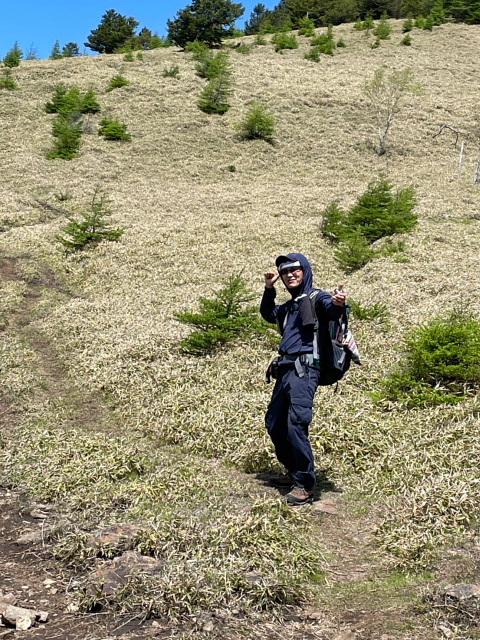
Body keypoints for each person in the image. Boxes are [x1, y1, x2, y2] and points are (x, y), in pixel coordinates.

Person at [260, 252, 347, 505]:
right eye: (285, 272)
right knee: (275, 423)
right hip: (285, 369)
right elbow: (268, 313)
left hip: (305, 370)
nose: (290, 275)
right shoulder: (291, 305)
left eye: (295, 270)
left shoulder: (317, 297)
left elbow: (331, 309)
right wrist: (268, 289)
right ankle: (292, 471)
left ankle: (305, 484)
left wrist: (338, 302)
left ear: (305, 271)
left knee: (296, 424)